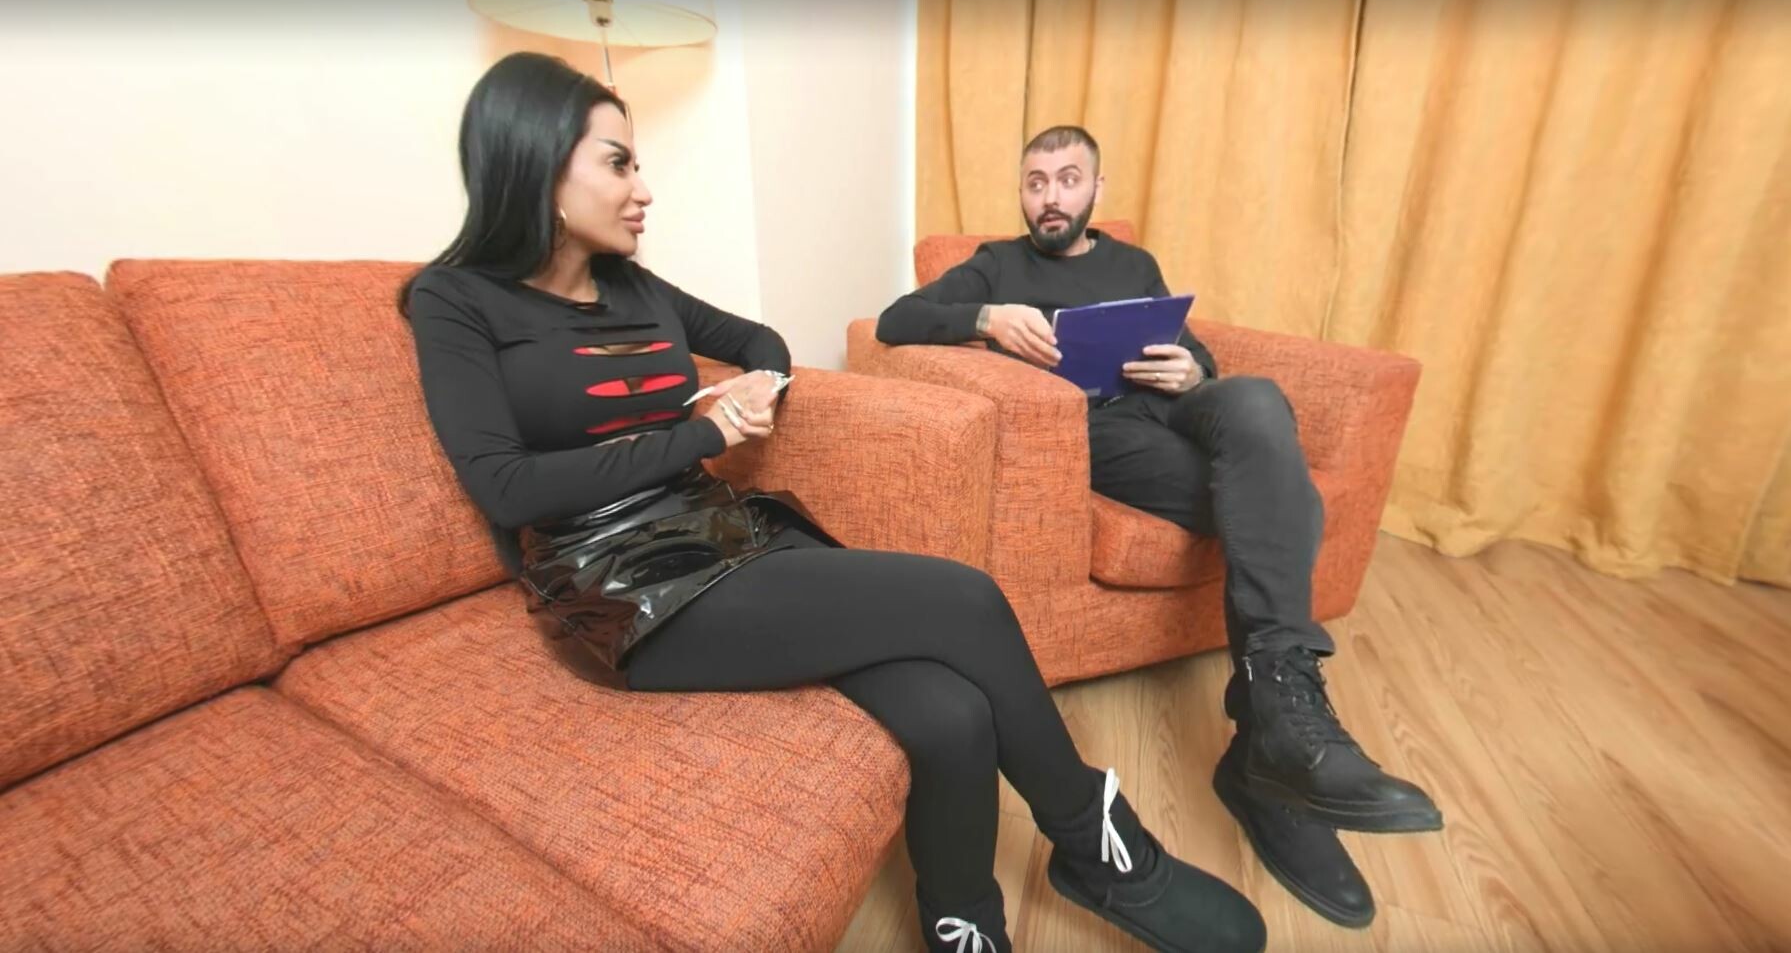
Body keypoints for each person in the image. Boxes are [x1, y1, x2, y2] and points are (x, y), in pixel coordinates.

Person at [400, 54, 1268, 953]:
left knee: (953, 712)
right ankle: (1097, 844)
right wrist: (703, 433)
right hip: (619, 586)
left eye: (638, 163)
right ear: (539, 166)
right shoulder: (453, 301)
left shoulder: (633, 286)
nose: (643, 188)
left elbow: (756, 339)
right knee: (963, 597)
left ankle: (964, 928)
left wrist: (753, 385)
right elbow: (503, 486)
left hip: (716, 531)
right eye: (618, 163)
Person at [875, 125, 1444, 930]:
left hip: (1173, 407)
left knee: (1253, 399)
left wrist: (1193, 368)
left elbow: (1189, 344)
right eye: (1035, 182)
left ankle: (1271, 723)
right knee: (1288, 504)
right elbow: (895, 319)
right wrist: (987, 317)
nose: (1050, 197)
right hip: (1101, 431)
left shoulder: (1132, 263)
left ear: (1096, 190)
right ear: (1022, 195)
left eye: (1067, 179)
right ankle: (1271, 732)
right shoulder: (994, 265)